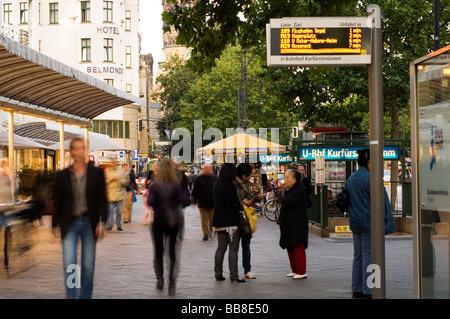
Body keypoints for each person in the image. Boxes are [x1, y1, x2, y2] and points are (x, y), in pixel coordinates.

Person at [52, 137, 108, 299]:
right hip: (69, 223)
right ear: (71, 152)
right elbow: (58, 202)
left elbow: (103, 199)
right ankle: (72, 296)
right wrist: (55, 226)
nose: (80, 151)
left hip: (89, 224)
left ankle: (85, 296)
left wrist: (102, 222)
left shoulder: (97, 173)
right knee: (70, 264)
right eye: (76, 148)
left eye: (83, 148)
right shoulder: (62, 175)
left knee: (88, 266)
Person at [344, 148, 394, 299]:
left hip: (355, 223)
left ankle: (357, 289)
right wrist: (387, 223)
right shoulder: (372, 178)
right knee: (370, 257)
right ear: (369, 161)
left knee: (358, 256)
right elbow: (382, 203)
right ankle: (370, 290)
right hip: (370, 224)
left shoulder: (352, 178)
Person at [147, 158, 189, 296]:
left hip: (159, 220)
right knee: (172, 251)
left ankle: (160, 280)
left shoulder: (154, 184)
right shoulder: (175, 184)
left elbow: (150, 201)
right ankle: (172, 281)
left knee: (158, 250)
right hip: (173, 220)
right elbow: (183, 200)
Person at [212, 163, 245, 283]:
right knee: (233, 250)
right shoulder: (230, 186)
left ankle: (218, 273)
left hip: (219, 221)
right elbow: (235, 204)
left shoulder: (217, 185)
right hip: (231, 221)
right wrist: (241, 205)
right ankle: (234, 275)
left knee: (221, 248)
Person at [276, 169, 309, 279]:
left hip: (297, 222)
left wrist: (278, 195)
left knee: (297, 245)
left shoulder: (299, 189)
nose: (285, 180)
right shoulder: (290, 189)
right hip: (289, 222)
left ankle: (301, 271)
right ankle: (294, 269)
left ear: (294, 179)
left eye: (287, 178)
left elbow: (288, 201)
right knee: (290, 245)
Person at [235, 163, 264, 279]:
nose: (248, 177)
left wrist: (257, 196)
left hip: (247, 218)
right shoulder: (234, 183)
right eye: (247, 175)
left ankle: (247, 269)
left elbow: (251, 199)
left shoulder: (248, 183)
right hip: (237, 217)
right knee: (234, 247)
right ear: (242, 174)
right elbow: (235, 200)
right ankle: (235, 271)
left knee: (246, 245)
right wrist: (243, 202)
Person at [191, 163, 217, 241]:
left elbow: (218, 190)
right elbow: (195, 190)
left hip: (213, 202)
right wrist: (194, 200)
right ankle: (205, 233)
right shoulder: (199, 178)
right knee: (204, 219)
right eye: (205, 168)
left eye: (208, 168)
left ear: (211, 170)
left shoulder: (215, 178)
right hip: (202, 202)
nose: (206, 170)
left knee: (212, 219)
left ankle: (211, 231)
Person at [105, 159, 129, 231]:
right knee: (110, 211)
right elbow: (104, 182)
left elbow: (126, 182)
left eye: (114, 163)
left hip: (119, 194)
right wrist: (110, 180)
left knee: (119, 211)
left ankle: (119, 225)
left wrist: (119, 179)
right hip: (110, 194)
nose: (112, 164)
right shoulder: (108, 172)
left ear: (116, 164)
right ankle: (110, 225)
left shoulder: (121, 172)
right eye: (111, 163)